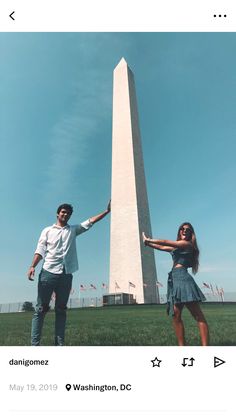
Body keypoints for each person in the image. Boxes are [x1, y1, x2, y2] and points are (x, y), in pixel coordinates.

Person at [27, 201, 110, 346]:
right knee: (40, 309)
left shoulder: (73, 230)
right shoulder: (47, 230)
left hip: (66, 275)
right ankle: (35, 346)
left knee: (61, 310)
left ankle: (59, 345)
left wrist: (106, 211)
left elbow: (90, 222)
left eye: (68, 213)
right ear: (58, 213)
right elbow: (40, 250)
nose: (65, 214)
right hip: (48, 273)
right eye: (63, 212)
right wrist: (32, 266)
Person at [142, 223, 209, 346]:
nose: (184, 231)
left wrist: (148, 239)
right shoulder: (177, 248)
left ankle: (205, 347)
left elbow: (165, 242)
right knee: (176, 316)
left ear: (190, 234)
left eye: (187, 230)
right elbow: (161, 247)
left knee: (198, 316)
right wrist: (148, 244)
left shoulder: (187, 244)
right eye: (182, 229)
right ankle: (182, 346)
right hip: (174, 280)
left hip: (183, 280)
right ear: (179, 231)